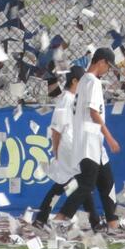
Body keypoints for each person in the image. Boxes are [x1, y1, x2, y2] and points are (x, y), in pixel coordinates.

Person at [54, 47, 120, 232]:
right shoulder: (93, 82)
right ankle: (60, 218)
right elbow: (93, 111)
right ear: (102, 62)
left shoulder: (83, 80)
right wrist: (110, 137)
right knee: (86, 185)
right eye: (108, 66)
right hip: (90, 139)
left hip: (90, 140)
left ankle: (113, 223)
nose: (108, 70)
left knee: (106, 181)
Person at [33, 65, 100, 229]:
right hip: (69, 147)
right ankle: (94, 221)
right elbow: (56, 129)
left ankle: (41, 218)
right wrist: (56, 150)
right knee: (83, 183)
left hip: (71, 146)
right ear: (75, 81)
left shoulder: (72, 99)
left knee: (71, 183)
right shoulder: (67, 100)